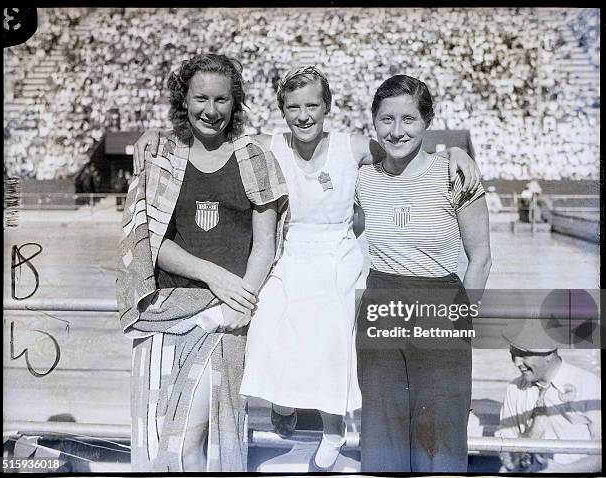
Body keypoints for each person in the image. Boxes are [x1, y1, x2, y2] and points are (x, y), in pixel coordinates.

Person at [134, 65, 482, 472]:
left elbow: (403, 144)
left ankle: (334, 426)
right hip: (289, 249)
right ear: (282, 110)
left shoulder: (351, 147)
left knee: (334, 327)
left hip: (337, 251)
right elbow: (213, 135)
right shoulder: (266, 146)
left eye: (312, 106)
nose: (304, 116)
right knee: (265, 320)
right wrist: (157, 134)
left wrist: (454, 152)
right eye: (294, 107)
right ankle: (283, 403)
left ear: (327, 107)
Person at [116, 53, 288, 472]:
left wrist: (239, 300)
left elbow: (266, 246)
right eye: (201, 99)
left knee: (189, 440)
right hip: (163, 313)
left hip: (224, 319)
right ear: (183, 100)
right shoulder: (161, 157)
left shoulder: (254, 158)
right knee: (157, 439)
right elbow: (150, 240)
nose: (211, 111)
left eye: (222, 100)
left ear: (237, 103)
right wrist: (214, 276)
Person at [354, 74, 492, 472]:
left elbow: (480, 256)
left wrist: (462, 320)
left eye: (409, 119)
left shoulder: (454, 174)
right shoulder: (363, 177)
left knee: (440, 433)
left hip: (441, 305)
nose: (396, 131)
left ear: (427, 121)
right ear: (374, 122)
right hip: (381, 304)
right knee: (382, 429)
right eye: (386, 119)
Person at [496, 319, 601, 473]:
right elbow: (506, 444)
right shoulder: (514, 389)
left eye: (523, 355)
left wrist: (563, 471)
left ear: (548, 355)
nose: (516, 362)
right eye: (513, 354)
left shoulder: (588, 385)